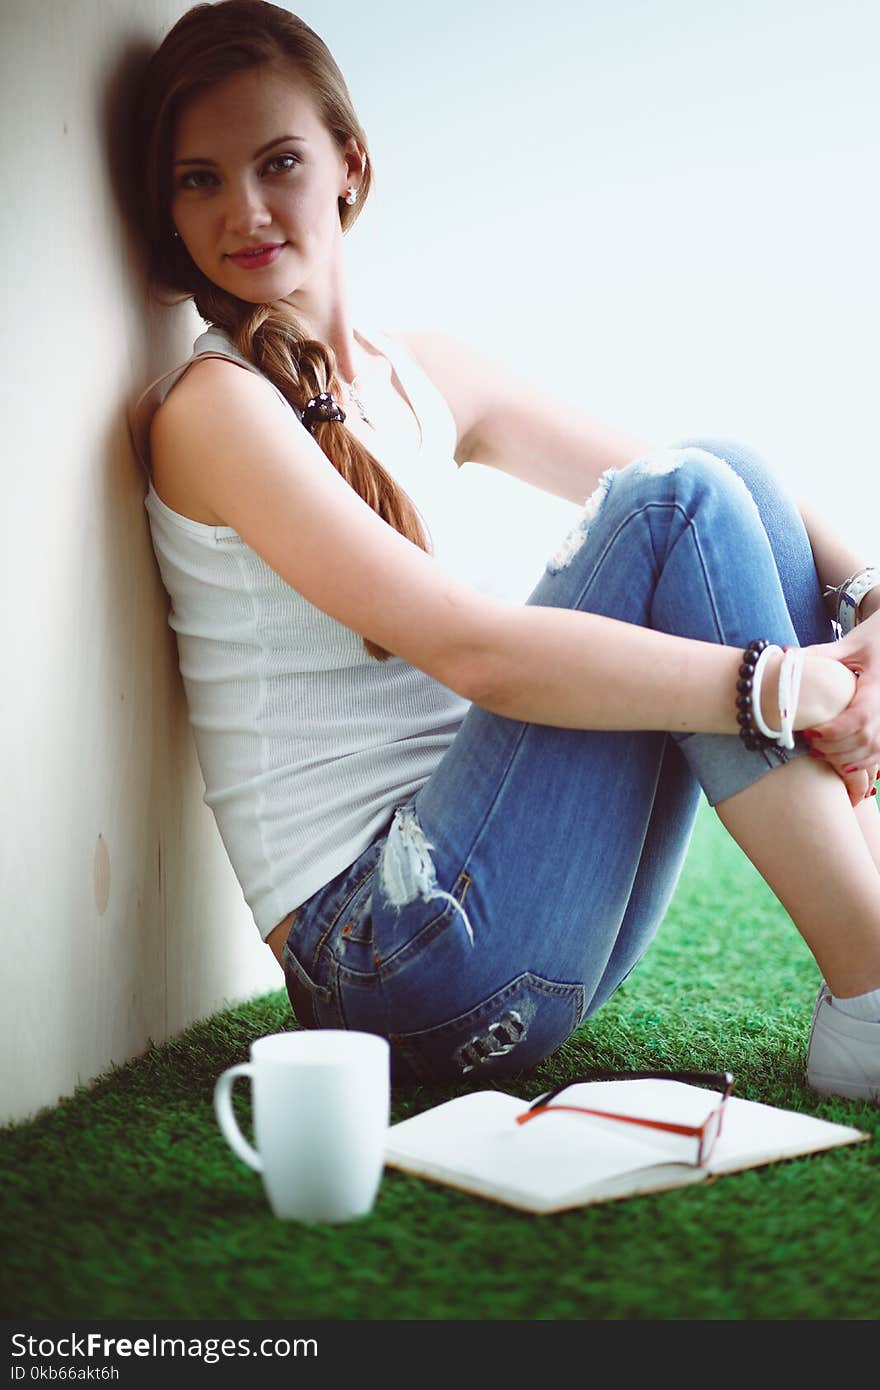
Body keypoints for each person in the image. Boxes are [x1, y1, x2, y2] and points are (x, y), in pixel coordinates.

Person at [129, 0, 880, 1099]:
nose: (243, 208)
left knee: (720, 471)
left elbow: (723, 493)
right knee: (675, 504)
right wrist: (783, 685)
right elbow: (469, 652)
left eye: (276, 161)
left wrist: (866, 598)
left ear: (349, 163)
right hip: (388, 965)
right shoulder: (215, 408)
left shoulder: (425, 374)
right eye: (199, 179)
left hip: (520, 920)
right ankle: (872, 992)